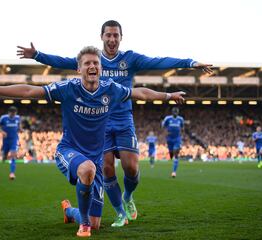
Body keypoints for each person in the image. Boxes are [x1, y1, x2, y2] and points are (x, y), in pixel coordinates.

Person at [0, 46, 186, 237]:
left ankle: (70, 212)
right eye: (87, 63)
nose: (92, 66)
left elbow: (141, 93)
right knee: (87, 169)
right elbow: (29, 90)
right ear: (78, 69)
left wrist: (168, 96)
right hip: (69, 151)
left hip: (95, 161)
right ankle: (83, 225)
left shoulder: (111, 89)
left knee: (96, 221)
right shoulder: (67, 89)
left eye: (96, 63)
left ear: (101, 68)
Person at [17, 20, 212, 226]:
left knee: (131, 168)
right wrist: (37, 55)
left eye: (115, 35)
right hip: (100, 122)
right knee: (108, 169)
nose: (112, 39)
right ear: (101, 37)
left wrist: (190, 63)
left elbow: (159, 61)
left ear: (120, 38)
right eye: (108, 35)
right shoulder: (93, 60)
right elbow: (63, 61)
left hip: (123, 119)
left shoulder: (130, 59)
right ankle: (120, 212)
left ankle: (127, 196)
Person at [0, 106, 21, 180]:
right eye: (12, 113)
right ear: (9, 112)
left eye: (14, 113)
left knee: (13, 155)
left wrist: (21, 129)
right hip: (6, 140)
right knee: (5, 155)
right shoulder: (3, 118)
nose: (13, 115)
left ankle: (12, 173)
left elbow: (19, 126)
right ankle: (4, 157)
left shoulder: (18, 118)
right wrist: (2, 132)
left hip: (14, 139)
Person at [162, 107, 184, 178]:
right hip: (169, 139)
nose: (175, 113)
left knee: (176, 153)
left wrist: (181, 136)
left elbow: (182, 128)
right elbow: (163, 126)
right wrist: (166, 133)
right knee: (171, 153)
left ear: (178, 112)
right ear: (172, 112)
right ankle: (172, 155)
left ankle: (174, 172)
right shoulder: (167, 118)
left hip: (177, 139)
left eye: (176, 112)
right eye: (174, 112)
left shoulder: (180, 119)